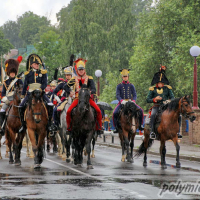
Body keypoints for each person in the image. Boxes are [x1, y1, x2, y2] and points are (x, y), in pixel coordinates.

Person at [65, 58, 103, 134]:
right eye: (79, 69)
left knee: (98, 111)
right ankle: (69, 128)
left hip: (87, 99)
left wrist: (92, 92)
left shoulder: (89, 78)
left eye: (82, 69)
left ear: (84, 70)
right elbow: (65, 86)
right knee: (69, 111)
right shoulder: (73, 79)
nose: (81, 71)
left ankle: (99, 127)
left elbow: (93, 88)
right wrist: (70, 92)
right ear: (77, 70)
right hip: (77, 98)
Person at [18, 54, 55, 133]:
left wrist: (40, 89)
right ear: (31, 65)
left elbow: (45, 83)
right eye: (35, 64)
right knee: (21, 106)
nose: (37, 65)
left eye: (38, 64)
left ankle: (49, 124)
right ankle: (23, 125)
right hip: (30, 93)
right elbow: (25, 85)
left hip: (41, 92)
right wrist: (22, 95)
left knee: (50, 105)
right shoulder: (28, 74)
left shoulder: (43, 72)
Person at [147, 65, 182, 139]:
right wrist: (154, 99)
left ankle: (178, 132)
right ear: (157, 83)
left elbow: (173, 98)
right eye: (159, 82)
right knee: (153, 115)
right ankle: (152, 132)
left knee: (179, 115)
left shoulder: (168, 89)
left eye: (162, 82)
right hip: (157, 106)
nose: (160, 83)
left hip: (167, 107)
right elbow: (148, 99)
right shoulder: (152, 89)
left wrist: (169, 100)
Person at [112, 69, 144, 133]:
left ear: (128, 77)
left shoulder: (131, 85)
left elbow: (134, 95)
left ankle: (140, 125)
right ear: (122, 77)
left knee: (141, 110)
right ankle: (116, 127)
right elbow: (117, 95)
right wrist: (121, 101)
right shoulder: (119, 86)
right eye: (124, 76)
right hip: (122, 103)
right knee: (114, 113)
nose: (125, 78)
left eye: (126, 76)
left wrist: (133, 101)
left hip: (130, 102)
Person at [0, 56, 23, 135]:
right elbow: (3, 94)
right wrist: (5, 99)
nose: (12, 74)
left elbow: (22, 90)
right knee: (2, 111)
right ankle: (2, 127)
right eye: (11, 72)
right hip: (8, 99)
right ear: (9, 73)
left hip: (18, 99)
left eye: (13, 72)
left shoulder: (19, 80)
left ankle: (24, 125)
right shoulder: (5, 82)